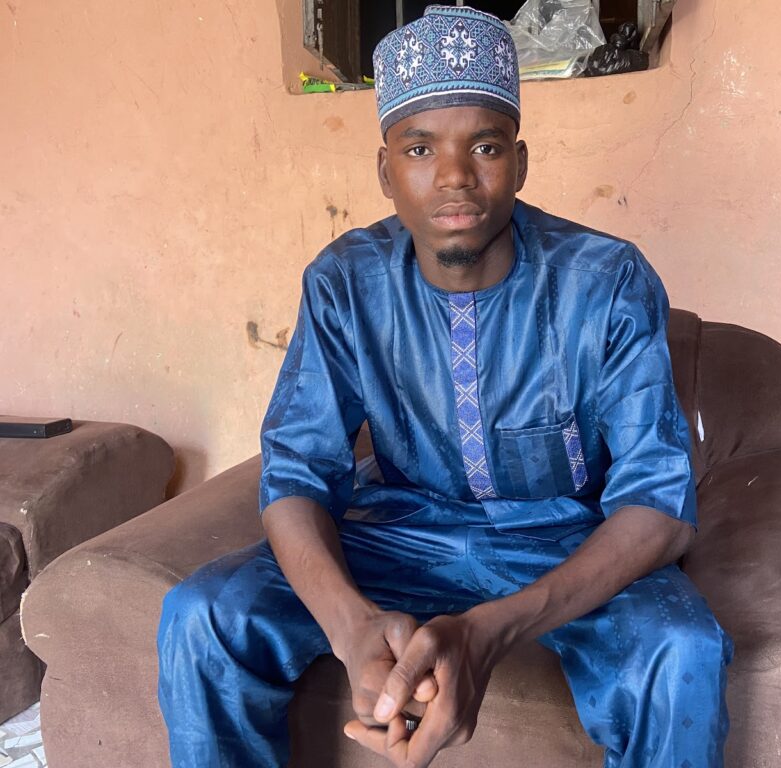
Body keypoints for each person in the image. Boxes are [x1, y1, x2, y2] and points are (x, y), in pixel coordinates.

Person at [156, 5, 732, 767]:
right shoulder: (345, 283)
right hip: (397, 537)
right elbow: (296, 473)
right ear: (385, 168)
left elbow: (659, 505)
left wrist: (490, 631)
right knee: (201, 614)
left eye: (484, 146)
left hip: (563, 540)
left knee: (683, 649)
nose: (455, 177)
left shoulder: (607, 281)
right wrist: (352, 627)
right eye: (420, 147)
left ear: (519, 164)